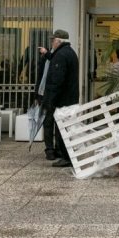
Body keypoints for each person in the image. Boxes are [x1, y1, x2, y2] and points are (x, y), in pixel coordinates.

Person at [40, 29, 79, 167]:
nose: (51, 43)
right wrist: (47, 54)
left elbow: (57, 80)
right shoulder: (68, 52)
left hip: (62, 100)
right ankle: (63, 153)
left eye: (53, 40)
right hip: (68, 98)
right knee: (64, 127)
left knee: (62, 128)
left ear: (58, 41)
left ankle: (66, 157)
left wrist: (50, 100)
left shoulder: (61, 55)